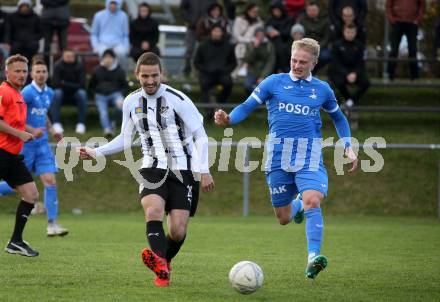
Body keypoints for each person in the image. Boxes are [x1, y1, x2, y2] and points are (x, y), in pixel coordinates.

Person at [214, 38, 358, 279]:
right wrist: (229, 119)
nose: (297, 65)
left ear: (314, 62)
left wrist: (347, 146)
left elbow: (340, 119)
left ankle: (313, 258)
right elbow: (247, 106)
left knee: (314, 199)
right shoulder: (274, 82)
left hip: (309, 156)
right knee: (283, 217)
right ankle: (298, 205)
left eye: (303, 61)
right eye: (294, 60)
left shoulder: (322, 90)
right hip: (277, 158)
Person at [78, 52, 215, 287]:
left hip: (184, 168)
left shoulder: (178, 99)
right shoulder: (131, 101)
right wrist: (97, 151)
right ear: (137, 75)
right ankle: (161, 265)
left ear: (161, 74)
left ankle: (163, 263)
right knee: (153, 211)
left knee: (178, 231)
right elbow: (124, 138)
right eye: (145, 76)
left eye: (154, 75)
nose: (150, 81)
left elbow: (201, 136)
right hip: (152, 166)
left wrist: (204, 169)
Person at [0, 58, 68, 237]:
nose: (41, 74)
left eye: (44, 71)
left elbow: (43, 114)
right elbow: (16, 118)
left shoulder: (50, 92)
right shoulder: (26, 92)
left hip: (42, 145)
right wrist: (29, 130)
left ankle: (52, 224)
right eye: (37, 71)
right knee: (15, 185)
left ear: (48, 73)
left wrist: (52, 129)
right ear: (32, 74)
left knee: (50, 181)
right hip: (25, 145)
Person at [0, 54, 40, 256]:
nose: (22, 74)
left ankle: (15, 241)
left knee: (31, 194)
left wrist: (29, 130)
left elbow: (14, 123)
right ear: (7, 72)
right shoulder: (4, 91)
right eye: (17, 70)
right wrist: (20, 134)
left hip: (12, 156)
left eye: (24, 71)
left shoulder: (19, 95)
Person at [194, 24, 236, 117]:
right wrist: (205, 70)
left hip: (223, 73)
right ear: (211, 32)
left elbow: (233, 63)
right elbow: (197, 62)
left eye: (219, 31)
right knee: (204, 84)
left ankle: (220, 103)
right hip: (207, 73)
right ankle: (208, 110)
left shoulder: (229, 46)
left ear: (222, 33)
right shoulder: (203, 45)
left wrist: (225, 70)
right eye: (215, 31)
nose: (217, 33)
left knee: (228, 83)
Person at [328, 24, 369, 112]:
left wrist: (354, 73)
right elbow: (336, 63)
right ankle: (350, 101)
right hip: (341, 72)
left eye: (352, 32)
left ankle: (350, 102)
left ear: (355, 33)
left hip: (355, 72)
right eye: (348, 32)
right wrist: (347, 74)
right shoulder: (336, 45)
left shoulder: (360, 45)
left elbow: (361, 63)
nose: (350, 34)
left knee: (366, 83)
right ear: (344, 32)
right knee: (338, 82)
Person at [89, 48, 128, 137]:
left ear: (113, 58)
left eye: (110, 57)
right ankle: (107, 129)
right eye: (106, 57)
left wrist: (121, 95)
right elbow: (91, 85)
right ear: (102, 58)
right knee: (103, 113)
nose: (108, 59)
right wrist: (95, 93)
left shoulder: (119, 70)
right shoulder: (96, 70)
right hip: (100, 95)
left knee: (121, 107)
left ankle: (113, 122)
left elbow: (125, 86)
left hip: (116, 94)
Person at [50, 49, 88, 135]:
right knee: (56, 93)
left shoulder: (80, 66)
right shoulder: (57, 66)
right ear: (63, 57)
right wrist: (72, 85)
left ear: (75, 57)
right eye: (67, 56)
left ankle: (81, 123)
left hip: (75, 93)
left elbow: (82, 85)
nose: (69, 58)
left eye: (71, 56)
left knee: (82, 94)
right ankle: (56, 123)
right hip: (62, 94)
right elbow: (55, 84)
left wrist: (64, 83)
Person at [385, 0, 425, 81]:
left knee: (413, 50)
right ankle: (389, 76)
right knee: (393, 50)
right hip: (397, 23)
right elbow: (388, 6)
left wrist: (418, 19)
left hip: (412, 23)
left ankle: (415, 77)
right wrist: (392, 19)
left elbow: (422, 5)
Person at [180, 0, 217, 76]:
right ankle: (186, 71)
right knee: (190, 49)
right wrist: (188, 20)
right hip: (192, 27)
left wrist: (209, 22)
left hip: (205, 29)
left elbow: (215, 9)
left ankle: (201, 72)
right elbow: (182, 8)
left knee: (204, 50)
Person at [91, 0, 130, 69]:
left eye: (115, 4)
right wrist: (95, 46)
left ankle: (121, 74)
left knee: (121, 53)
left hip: (118, 43)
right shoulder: (98, 15)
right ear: (107, 4)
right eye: (111, 3)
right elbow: (94, 34)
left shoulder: (123, 16)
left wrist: (126, 46)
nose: (113, 6)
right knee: (105, 55)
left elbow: (125, 35)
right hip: (102, 44)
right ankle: (104, 75)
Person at [298, 1, 331, 73]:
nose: (312, 12)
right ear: (306, 10)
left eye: (314, 10)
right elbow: (299, 34)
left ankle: (313, 71)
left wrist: (317, 47)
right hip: (305, 46)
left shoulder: (325, 20)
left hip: (320, 46)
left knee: (325, 56)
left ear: (318, 10)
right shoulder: (301, 19)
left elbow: (327, 38)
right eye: (309, 10)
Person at [243, 27, 276, 94]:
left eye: (261, 35)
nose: (260, 37)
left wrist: (262, 76)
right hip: (252, 71)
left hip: (265, 71)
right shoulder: (250, 44)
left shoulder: (269, 45)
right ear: (255, 35)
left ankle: (260, 99)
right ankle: (258, 98)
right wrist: (254, 48)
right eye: (258, 35)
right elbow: (248, 60)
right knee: (247, 86)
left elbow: (270, 62)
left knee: (264, 86)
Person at [40, 0, 71, 64]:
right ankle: (46, 67)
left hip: (55, 18)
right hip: (57, 18)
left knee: (62, 46)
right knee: (48, 46)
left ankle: (64, 65)